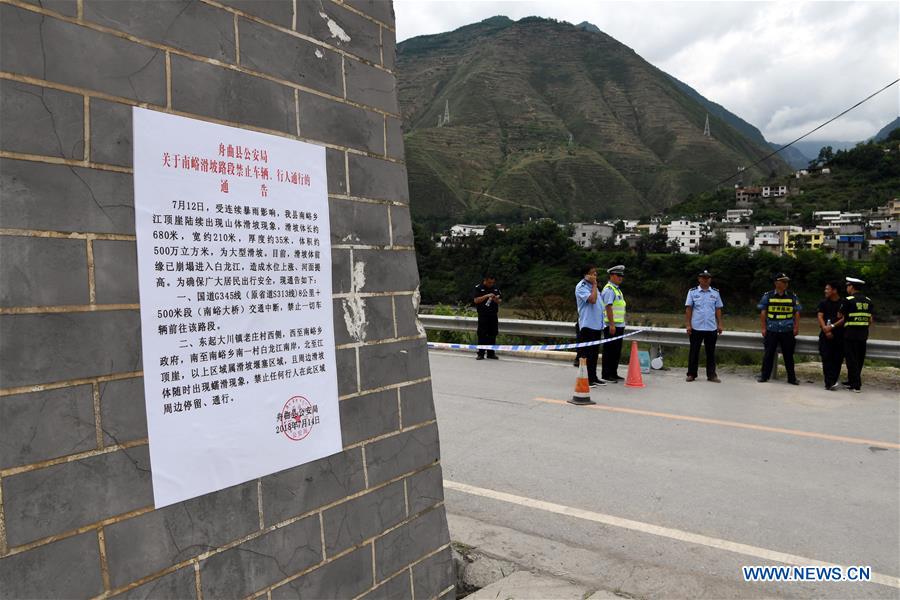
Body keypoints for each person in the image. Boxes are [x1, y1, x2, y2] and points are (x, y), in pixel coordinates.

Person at [756, 273, 802, 385]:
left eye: (787, 282)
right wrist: (763, 328)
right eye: (783, 281)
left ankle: (792, 378)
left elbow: (797, 313)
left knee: (788, 355)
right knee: (768, 354)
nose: (786, 284)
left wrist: (796, 327)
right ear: (776, 283)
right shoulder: (768, 296)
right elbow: (763, 313)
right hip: (772, 330)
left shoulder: (792, 296)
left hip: (787, 330)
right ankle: (764, 376)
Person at [834, 277, 873, 393]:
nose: (847, 288)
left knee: (851, 360)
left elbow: (839, 315)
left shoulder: (848, 300)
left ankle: (856, 385)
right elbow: (870, 320)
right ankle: (852, 381)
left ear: (851, 287)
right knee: (859, 359)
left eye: (848, 286)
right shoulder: (868, 300)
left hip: (850, 334)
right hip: (863, 334)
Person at [684, 269, 724, 382]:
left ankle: (711, 375)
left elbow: (718, 309)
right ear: (699, 279)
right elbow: (688, 309)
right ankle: (691, 374)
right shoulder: (692, 292)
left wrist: (720, 324)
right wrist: (688, 325)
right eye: (703, 278)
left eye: (708, 278)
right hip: (696, 326)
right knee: (694, 351)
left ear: (710, 280)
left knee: (711, 352)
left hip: (711, 327)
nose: (705, 280)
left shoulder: (715, 292)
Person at [575, 265, 606, 387]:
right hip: (587, 325)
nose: (595, 276)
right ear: (585, 275)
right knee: (586, 354)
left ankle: (593, 377)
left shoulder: (594, 287)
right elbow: (592, 300)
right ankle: (586, 378)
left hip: (597, 325)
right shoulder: (581, 286)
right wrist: (594, 285)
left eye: (596, 273)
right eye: (592, 273)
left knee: (594, 354)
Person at [601, 265, 627, 382]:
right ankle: (607, 374)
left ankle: (613, 372)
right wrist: (611, 324)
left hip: (619, 325)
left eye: (622, 275)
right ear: (611, 276)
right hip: (612, 326)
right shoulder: (609, 289)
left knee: (616, 351)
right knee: (609, 351)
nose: (621, 278)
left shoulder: (617, 289)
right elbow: (608, 307)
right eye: (618, 275)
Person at [816, 281, 844, 390]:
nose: (825, 291)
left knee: (837, 359)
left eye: (827, 289)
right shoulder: (823, 302)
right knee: (826, 358)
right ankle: (829, 382)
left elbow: (844, 318)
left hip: (839, 335)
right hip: (825, 335)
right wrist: (826, 329)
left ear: (834, 290)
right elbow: (820, 316)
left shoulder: (843, 303)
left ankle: (833, 380)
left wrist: (831, 327)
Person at [472, 274, 501, 360]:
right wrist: (486, 296)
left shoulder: (495, 288)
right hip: (483, 315)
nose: (491, 284)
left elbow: (500, 300)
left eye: (492, 282)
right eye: (489, 282)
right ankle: (481, 353)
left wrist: (495, 299)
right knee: (482, 334)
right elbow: (476, 300)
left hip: (493, 315)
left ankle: (491, 353)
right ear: (485, 280)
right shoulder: (479, 288)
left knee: (493, 333)